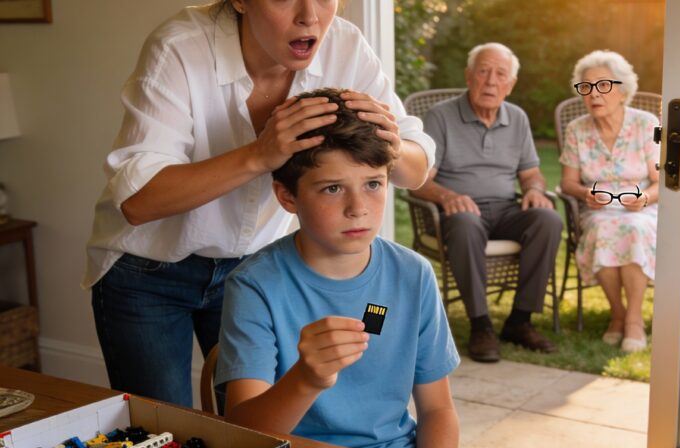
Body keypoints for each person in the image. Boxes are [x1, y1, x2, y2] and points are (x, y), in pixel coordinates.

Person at [81, 1, 435, 407]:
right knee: (161, 426)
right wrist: (259, 154)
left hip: (256, 271)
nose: (309, 16)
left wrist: (392, 142)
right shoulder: (180, 47)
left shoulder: (345, 47)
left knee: (260, 427)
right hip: (148, 271)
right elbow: (138, 202)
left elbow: (416, 166)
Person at [216, 88, 460, 448]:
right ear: (288, 197)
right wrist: (306, 379)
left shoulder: (413, 275)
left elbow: (438, 410)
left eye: (373, 184)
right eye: (332, 188)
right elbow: (245, 435)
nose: (358, 208)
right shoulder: (254, 286)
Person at [411, 43, 563, 362]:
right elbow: (419, 178)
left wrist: (534, 190)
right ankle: (480, 325)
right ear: (469, 76)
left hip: (506, 208)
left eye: (501, 74)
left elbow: (531, 173)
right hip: (460, 212)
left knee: (548, 219)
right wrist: (448, 196)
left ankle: (520, 320)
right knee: (465, 223)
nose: (491, 81)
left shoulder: (517, 118)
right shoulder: (441, 116)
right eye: (483, 71)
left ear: (511, 84)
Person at [558, 50, 659, 353]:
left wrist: (645, 198)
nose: (593, 94)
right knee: (603, 229)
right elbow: (567, 182)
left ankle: (633, 319)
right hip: (598, 210)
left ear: (623, 91)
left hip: (642, 208)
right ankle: (618, 314)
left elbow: (663, 180)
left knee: (634, 228)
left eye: (603, 85)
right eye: (586, 86)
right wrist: (584, 194)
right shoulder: (577, 129)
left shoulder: (646, 124)